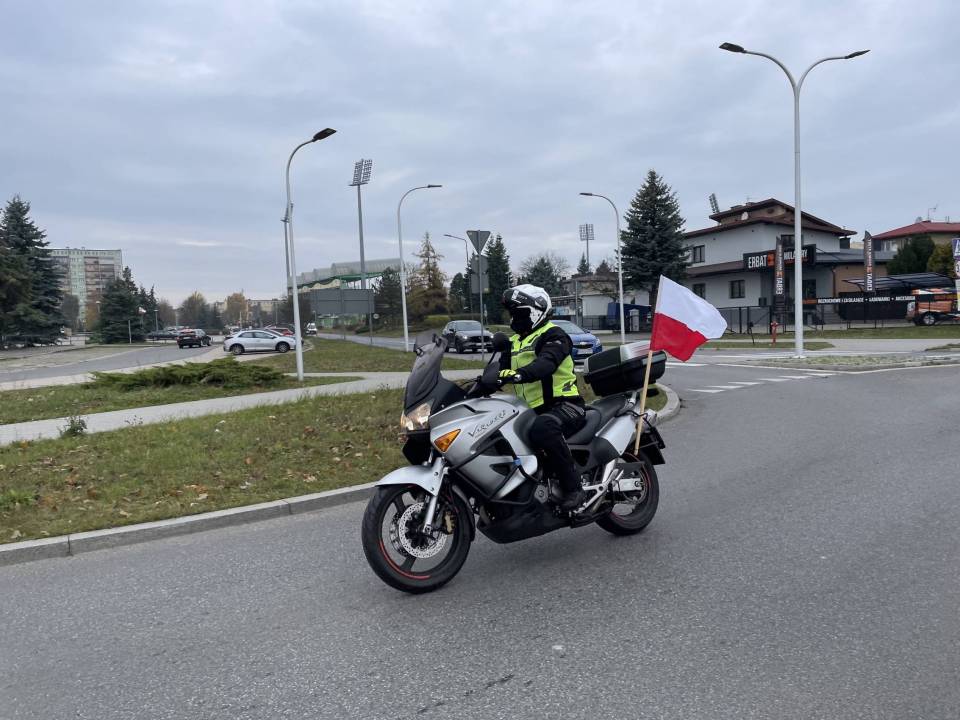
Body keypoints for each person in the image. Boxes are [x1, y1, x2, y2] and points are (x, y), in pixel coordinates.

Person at [497, 284, 587, 511]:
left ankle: (574, 488)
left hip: (565, 404)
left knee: (544, 428)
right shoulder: (514, 342)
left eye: (519, 313)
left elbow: (546, 363)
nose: (514, 318)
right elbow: (497, 373)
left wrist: (519, 374)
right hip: (530, 410)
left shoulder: (554, 335)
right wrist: (475, 387)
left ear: (536, 312)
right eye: (512, 313)